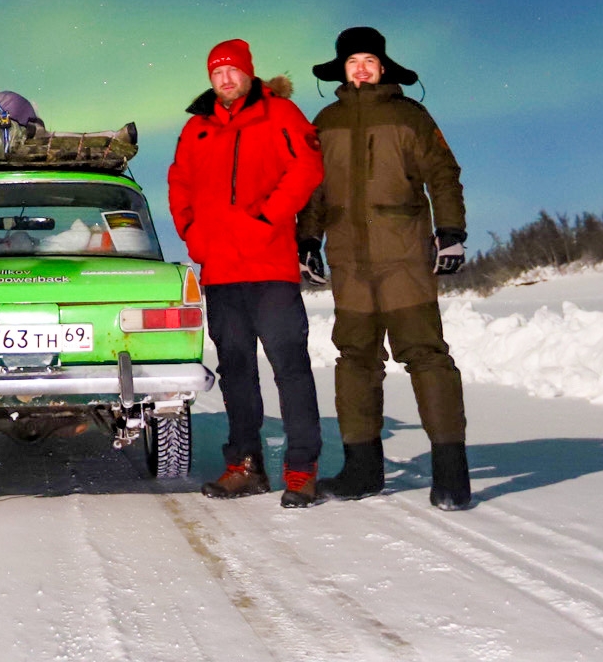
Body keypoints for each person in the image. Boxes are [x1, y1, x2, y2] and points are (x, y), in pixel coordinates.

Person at [299, 26, 474, 510]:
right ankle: (361, 469)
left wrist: (451, 233)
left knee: (425, 355)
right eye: (352, 60)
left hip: (403, 257)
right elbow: (314, 188)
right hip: (350, 262)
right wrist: (308, 240)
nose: (361, 68)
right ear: (342, 69)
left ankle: (452, 474)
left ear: (382, 67)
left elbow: (443, 173)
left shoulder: (409, 116)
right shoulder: (325, 121)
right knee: (354, 360)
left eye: (369, 60)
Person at [166, 37, 327, 507]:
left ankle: (301, 471)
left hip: (269, 265)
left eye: (232, 70)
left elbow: (307, 169)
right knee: (236, 372)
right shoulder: (197, 128)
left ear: (248, 73)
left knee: (289, 368)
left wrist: (268, 218)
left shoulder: (280, 115)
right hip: (220, 271)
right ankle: (245, 466)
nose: (224, 79)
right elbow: (179, 182)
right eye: (216, 72)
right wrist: (192, 232)